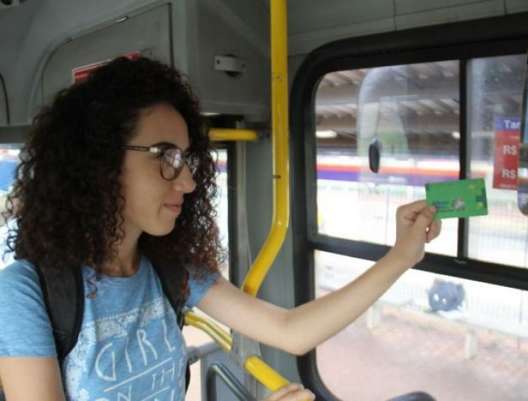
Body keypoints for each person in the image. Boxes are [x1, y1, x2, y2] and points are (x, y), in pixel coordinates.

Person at [0, 57, 441, 401]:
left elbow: (291, 330)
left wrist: (401, 256)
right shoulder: (25, 294)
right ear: (100, 162)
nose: (189, 182)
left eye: (186, 159)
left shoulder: (169, 268)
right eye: (166, 156)